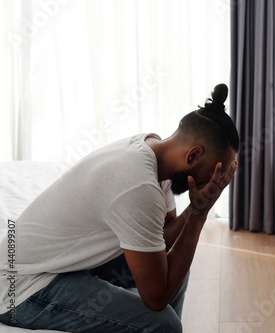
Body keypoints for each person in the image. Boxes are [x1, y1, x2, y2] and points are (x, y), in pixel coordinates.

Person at [0, 84, 239, 332]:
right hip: (23, 287)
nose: (210, 183)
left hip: (65, 264)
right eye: (212, 173)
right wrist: (199, 214)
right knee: (163, 324)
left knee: (174, 269)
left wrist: (196, 207)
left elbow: (165, 239)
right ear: (193, 155)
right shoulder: (137, 184)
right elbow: (156, 298)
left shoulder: (156, 152)